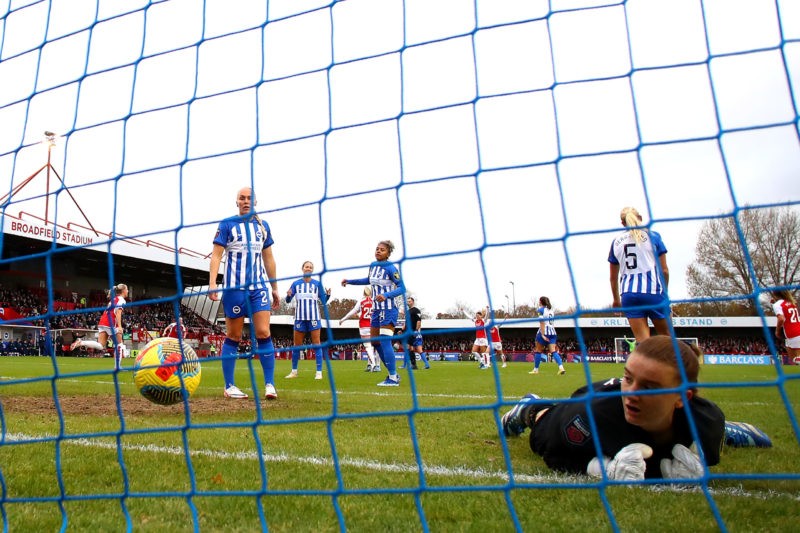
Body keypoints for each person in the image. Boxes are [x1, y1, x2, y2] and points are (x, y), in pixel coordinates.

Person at [503, 336, 726, 479]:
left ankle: (736, 432)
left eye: (649, 387)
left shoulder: (708, 424)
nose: (631, 394)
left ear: (682, 397)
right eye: (628, 378)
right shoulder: (591, 418)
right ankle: (530, 407)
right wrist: (602, 468)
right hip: (588, 402)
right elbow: (555, 455)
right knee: (546, 423)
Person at [208, 186, 280, 400]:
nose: (246, 201)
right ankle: (229, 386)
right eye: (242, 198)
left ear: (255, 202)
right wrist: (212, 282)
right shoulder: (227, 224)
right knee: (234, 336)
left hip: (259, 289)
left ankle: (270, 385)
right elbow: (216, 256)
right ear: (236, 202)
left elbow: (268, 258)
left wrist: (274, 287)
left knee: (264, 333)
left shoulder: (263, 226)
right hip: (234, 289)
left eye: (249, 198)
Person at [341, 240, 406, 386]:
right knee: (375, 343)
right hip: (376, 310)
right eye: (377, 249)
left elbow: (402, 288)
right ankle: (392, 374)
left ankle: (393, 377)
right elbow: (368, 280)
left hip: (388, 308)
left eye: (382, 249)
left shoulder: (391, 268)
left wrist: (387, 295)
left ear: (388, 253)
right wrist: (349, 281)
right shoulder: (373, 265)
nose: (378, 251)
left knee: (384, 340)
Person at [609, 206, 671, 343]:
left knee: (643, 343)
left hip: (629, 295)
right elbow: (664, 270)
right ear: (640, 218)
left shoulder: (615, 243)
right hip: (654, 291)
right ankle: (671, 365)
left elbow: (613, 278)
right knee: (667, 340)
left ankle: (645, 364)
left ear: (623, 224)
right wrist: (665, 292)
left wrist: (616, 300)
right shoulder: (653, 236)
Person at [285, 261, 331, 380]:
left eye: (310, 267)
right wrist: (289, 295)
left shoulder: (317, 284)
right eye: (306, 267)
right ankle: (294, 371)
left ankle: (319, 372)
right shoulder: (296, 283)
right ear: (302, 268)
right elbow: (288, 300)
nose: (308, 269)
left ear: (312, 270)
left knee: (317, 344)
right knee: (297, 346)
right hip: (300, 318)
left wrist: (328, 295)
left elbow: (323, 301)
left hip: (314, 317)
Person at [72, 284, 128, 369]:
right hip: (111, 323)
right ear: (123, 291)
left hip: (103, 321)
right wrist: (120, 326)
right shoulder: (121, 300)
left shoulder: (113, 299)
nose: (127, 291)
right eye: (127, 289)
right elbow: (118, 313)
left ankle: (81, 342)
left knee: (101, 345)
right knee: (119, 345)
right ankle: (117, 367)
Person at [339, 287, 380, 372]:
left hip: (364, 326)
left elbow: (353, 312)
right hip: (373, 325)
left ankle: (374, 365)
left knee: (368, 346)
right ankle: (373, 365)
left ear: (363, 293)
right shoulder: (374, 301)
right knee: (375, 346)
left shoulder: (361, 301)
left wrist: (343, 319)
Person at [529, 296, 565, 375]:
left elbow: (542, 322)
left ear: (541, 302)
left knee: (538, 350)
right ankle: (561, 368)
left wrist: (542, 334)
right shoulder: (551, 310)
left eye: (539, 301)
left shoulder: (541, 310)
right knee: (553, 351)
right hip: (552, 332)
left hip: (545, 332)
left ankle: (536, 370)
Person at [772, 290, 800, 361]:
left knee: (795, 359)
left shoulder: (777, 305)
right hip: (797, 329)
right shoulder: (792, 302)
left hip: (792, 333)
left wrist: (777, 331)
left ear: (775, 295)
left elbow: (781, 319)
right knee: (794, 358)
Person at [403, 296, 429, 370]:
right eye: (407, 301)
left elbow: (418, 321)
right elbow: (406, 322)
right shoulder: (407, 312)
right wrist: (402, 330)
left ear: (413, 302)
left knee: (409, 347)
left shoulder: (416, 310)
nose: (408, 302)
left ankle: (411, 365)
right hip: (408, 332)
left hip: (413, 332)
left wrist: (416, 331)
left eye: (410, 301)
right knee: (415, 348)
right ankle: (425, 364)